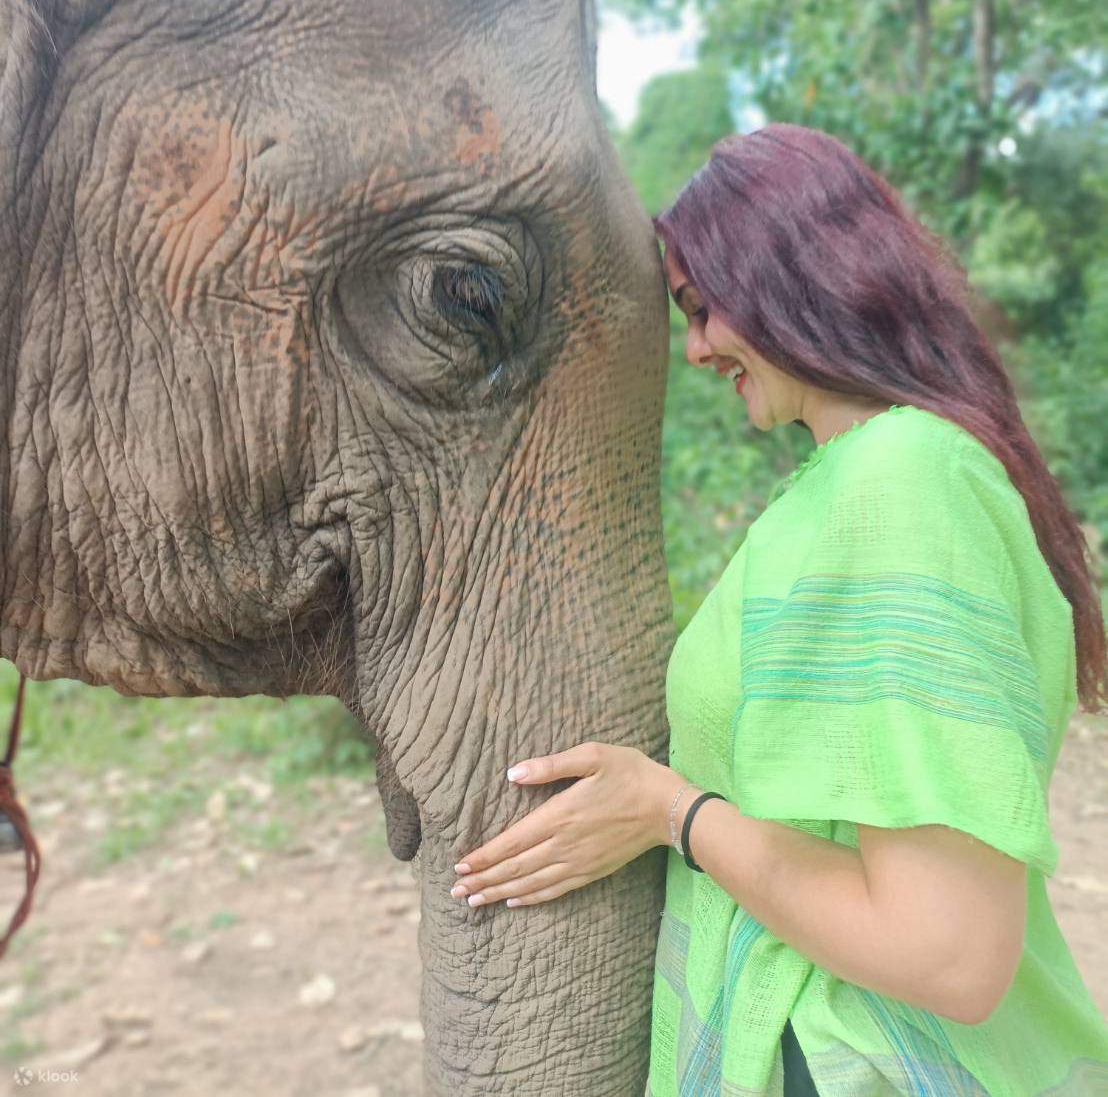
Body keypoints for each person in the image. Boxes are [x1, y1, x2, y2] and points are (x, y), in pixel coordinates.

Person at [449, 124, 1108, 1095]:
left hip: (865, 1062)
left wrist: (671, 811)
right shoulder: (851, 482)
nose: (698, 345)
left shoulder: (903, 482)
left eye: (704, 306)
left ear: (794, 272)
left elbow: (948, 954)